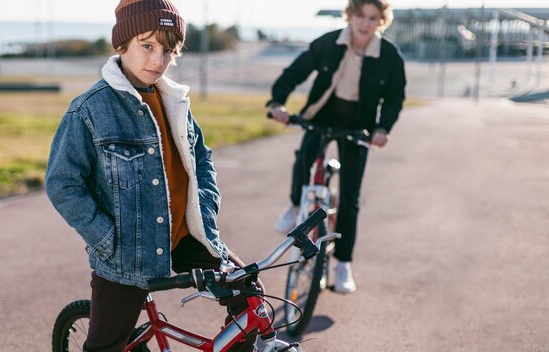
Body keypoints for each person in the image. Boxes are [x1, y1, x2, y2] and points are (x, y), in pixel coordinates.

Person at [45, 1, 259, 351]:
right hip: (127, 252)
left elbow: (200, 157)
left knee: (249, 296)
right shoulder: (90, 109)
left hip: (186, 236)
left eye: (168, 51)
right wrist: (107, 240)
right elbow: (62, 183)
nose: (158, 60)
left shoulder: (174, 101)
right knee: (105, 345)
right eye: (147, 46)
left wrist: (204, 210)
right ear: (122, 44)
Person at [267, 0, 406, 294]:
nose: (365, 23)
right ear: (350, 15)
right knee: (305, 157)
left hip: (359, 121)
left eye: (373, 18)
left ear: (381, 21)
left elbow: (394, 98)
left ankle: (343, 263)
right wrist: (277, 102)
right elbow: (296, 72)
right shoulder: (329, 43)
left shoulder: (389, 56)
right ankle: (295, 204)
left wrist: (382, 129)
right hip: (324, 111)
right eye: (361, 16)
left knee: (350, 196)